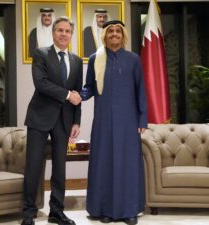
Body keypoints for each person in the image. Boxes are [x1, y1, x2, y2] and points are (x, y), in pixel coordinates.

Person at [80, 20, 147, 225]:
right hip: (103, 122)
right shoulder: (95, 59)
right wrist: (76, 95)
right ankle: (105, 209)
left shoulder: (133, 59)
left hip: (128, 121)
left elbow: (140, 90)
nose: (114, 34)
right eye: (111, 31)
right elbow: (89, 87)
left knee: (128, 165)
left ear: (123, 35)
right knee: (104, 163)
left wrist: (142, 118)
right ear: (105, 36)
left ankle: (129, 210)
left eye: (118, 31)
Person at [22, 16, 83, 225]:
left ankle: (56, 211)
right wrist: (67, 95)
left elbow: (77, 95)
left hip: (64, 120)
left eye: (67, 31)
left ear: (71, 35)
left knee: (60, 167)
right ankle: (28, 213)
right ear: (53, 33)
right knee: (33, 166)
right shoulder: (41, 53)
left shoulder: (76, 60)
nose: (64, 34)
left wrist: (77, 121)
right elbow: (41, 83)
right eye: (60, 30)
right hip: (39, 117)